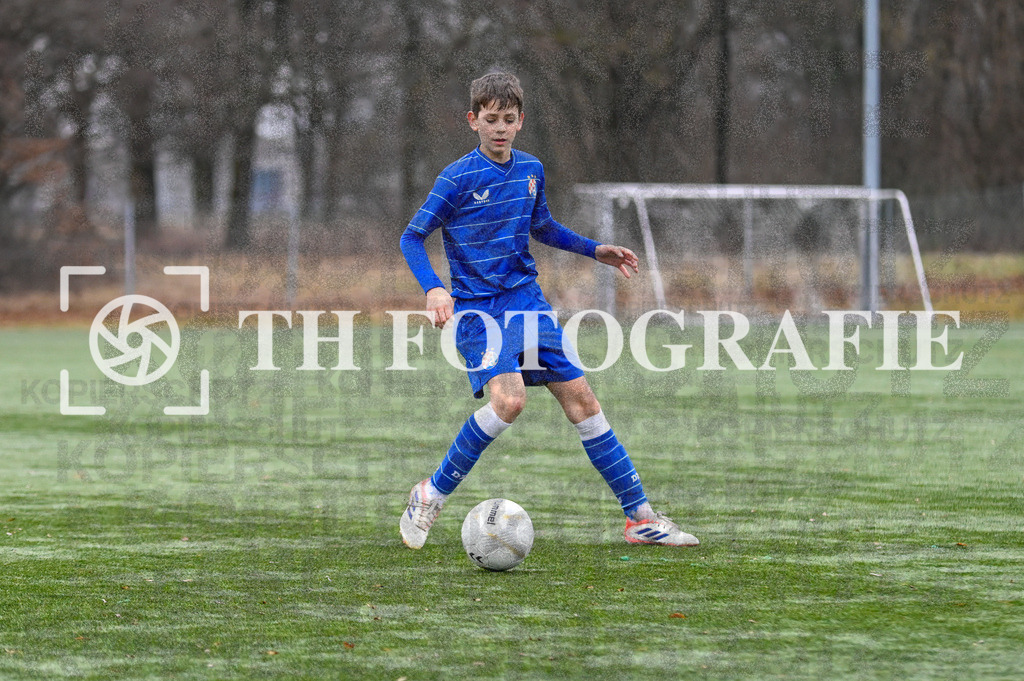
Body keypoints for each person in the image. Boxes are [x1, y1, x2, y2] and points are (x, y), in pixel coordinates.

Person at [397, 72, 699, 549]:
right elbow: (412, 236)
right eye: (490, 119)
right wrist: (434, 289)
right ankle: (430, 493)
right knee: (510, 402)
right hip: (478, 312)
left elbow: (544, 226)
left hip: (527, 304)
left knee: (583, 402)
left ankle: (639, 518)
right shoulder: (456, 178)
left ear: (521, 121)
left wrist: (594, 249)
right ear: (473, 120)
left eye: (509, 119)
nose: (499, 128)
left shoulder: (531, 168)